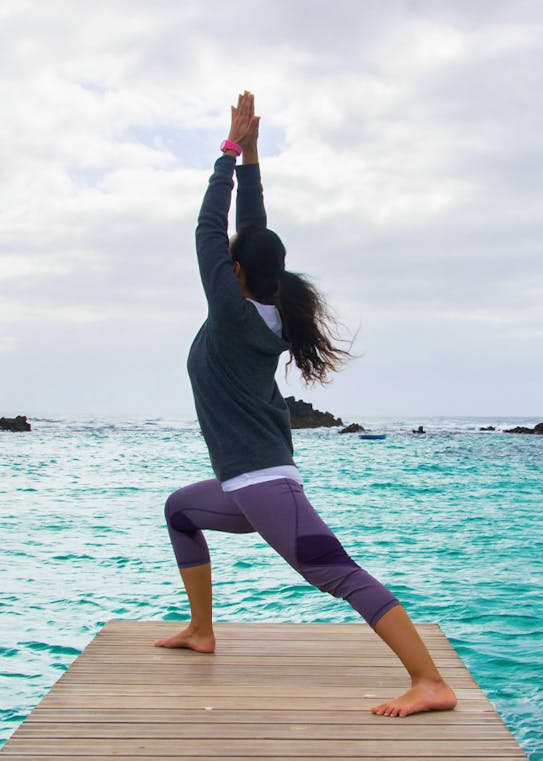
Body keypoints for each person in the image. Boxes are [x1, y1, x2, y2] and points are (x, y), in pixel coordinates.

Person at [154, 92, 456, 718]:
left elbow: (209, 230)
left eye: (229, 262)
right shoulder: (267, 308)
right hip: (245, 483)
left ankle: (429, 680)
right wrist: (254, 161)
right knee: (181, 510)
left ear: (234, 274)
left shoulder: (235, 316)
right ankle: (202, 631)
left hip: (264, 484)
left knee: (336, 572)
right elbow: (250, 235)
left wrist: (228, 151)